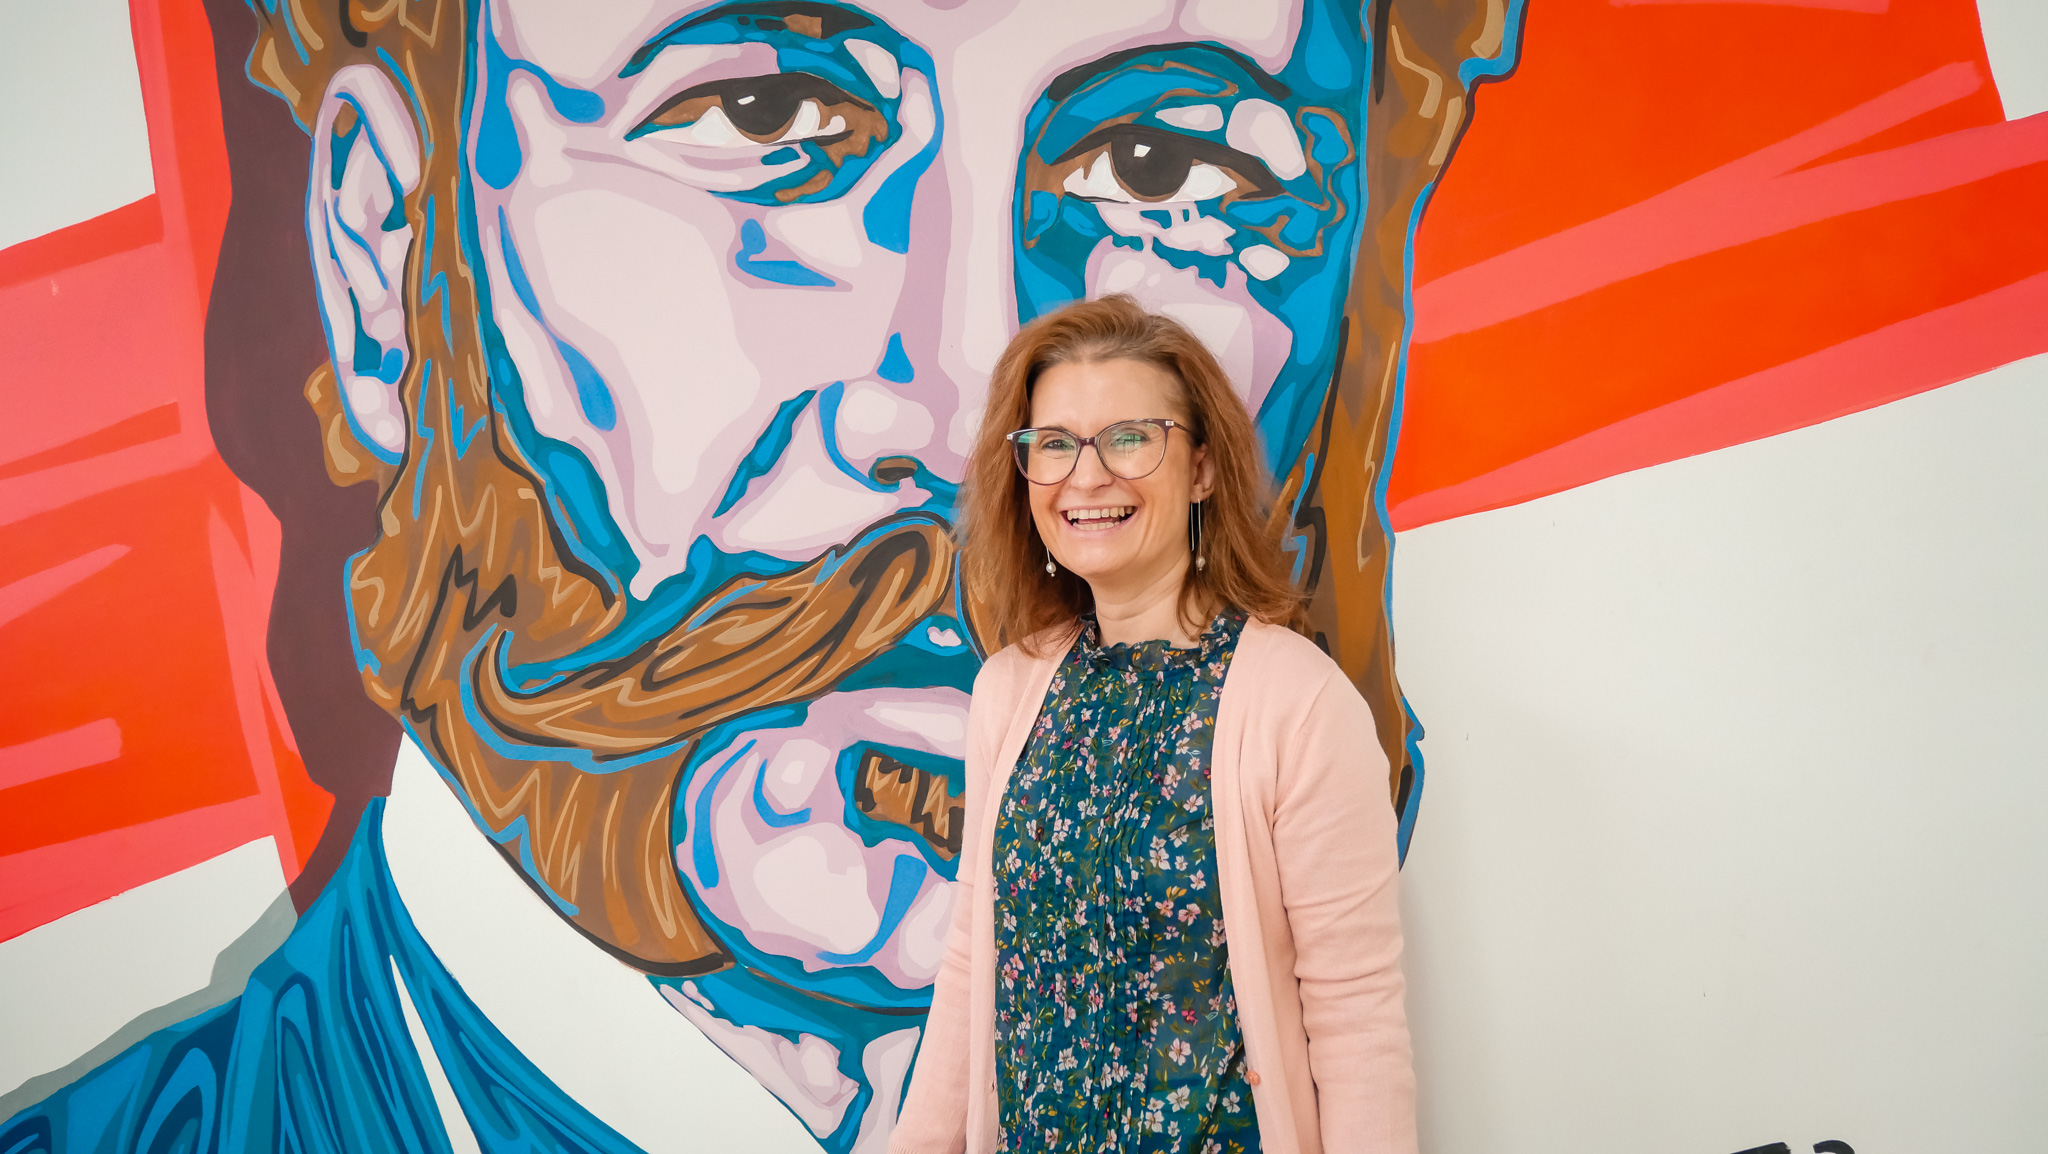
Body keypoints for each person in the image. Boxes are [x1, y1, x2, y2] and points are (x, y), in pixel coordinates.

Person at [892, 296, 1412, 1154]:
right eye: (1053, 444)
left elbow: (1357, 1021)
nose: (1086, 477)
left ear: (1201, 468)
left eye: (1130, 437)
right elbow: (971, 963)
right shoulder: (1007, 692)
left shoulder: (1299, 704)